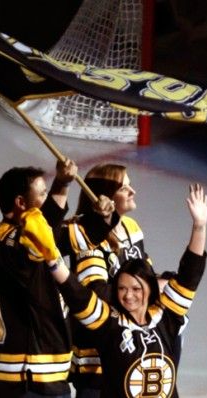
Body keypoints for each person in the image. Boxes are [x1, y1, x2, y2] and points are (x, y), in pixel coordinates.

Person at [49, 183, 207, 397]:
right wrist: (51, 257)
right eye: (122, 288)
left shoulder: (167, 317)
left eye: (136, 288)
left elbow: (191, 273)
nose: (128, 295)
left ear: (149, 289)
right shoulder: (108, 324)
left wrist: (199, 225)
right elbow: (76, 294)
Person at [0, 160, 78, 397]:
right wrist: (60, 186)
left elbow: (48, 227)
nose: (47, 200)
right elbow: (38, 232)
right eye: (42, 194)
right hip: (29, 375)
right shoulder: (8, 241)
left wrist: (63, 184)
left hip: (41, 372)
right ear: (21, 203)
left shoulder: (23, 237)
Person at [58, 164, 153, 397]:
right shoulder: (86, 233)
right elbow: (96, 292)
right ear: (105, 196)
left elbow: (147, 275)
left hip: (129, 351)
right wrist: (140, 295)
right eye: (124, 187)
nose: (133, 191)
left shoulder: (132, 228)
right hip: (97, 359)